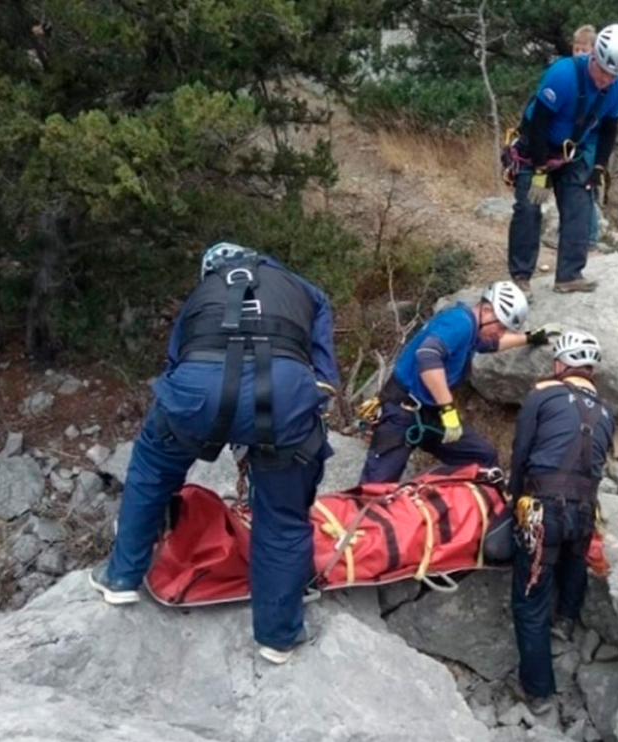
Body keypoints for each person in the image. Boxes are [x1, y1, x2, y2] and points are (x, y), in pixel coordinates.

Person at [88, 242, 338, 665]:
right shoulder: (305, 290)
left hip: (198, 387)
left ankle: (122, 576)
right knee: (282, 516)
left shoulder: (204, 293)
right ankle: (278, 636)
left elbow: (176, 360)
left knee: (151, 468)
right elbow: (325, 378)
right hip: (282, 394)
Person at [509, 330, 614, 712]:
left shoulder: (542, 395)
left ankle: (537, 692)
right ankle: (566, 620)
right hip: (585, 511)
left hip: (543, 508)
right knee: (574, 559)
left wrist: (512, 499)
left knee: (529, 600)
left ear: (559, 364)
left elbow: (521, 452)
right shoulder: (606, 411)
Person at [360, 280, 557, 483]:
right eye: (500, 326)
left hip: (430, 413)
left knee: (482, 458)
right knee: (376, 486)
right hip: (403, 411)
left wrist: (529, 338)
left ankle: (452, 505)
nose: (500, 332)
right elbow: (427, 356)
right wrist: (447, 408)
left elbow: (491, 343)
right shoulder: (459, 323)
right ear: (487, 310)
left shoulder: (472, 328)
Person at [506, 24, 618, 294]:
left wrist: (599, 166)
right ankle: (521, 276)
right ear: (594, 58)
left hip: (570, 152)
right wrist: (539, 169)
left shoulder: (616, 87)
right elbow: (539, 122)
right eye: (602, 71)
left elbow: (610, 126)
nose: (605, 80)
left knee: (580, 205)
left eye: (613, 75)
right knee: (529, 208)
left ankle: (569, 275)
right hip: (536, 147)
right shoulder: (563, 74)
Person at [570, 25, 603, 250]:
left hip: (591, 139)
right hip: (574, 139)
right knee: (570, 187)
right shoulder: (571, 72)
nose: (580, 53)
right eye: (576, 48)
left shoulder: (602, 77)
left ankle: (590, 235)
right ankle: (573, 232)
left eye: (585, 49)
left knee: (585, 186)